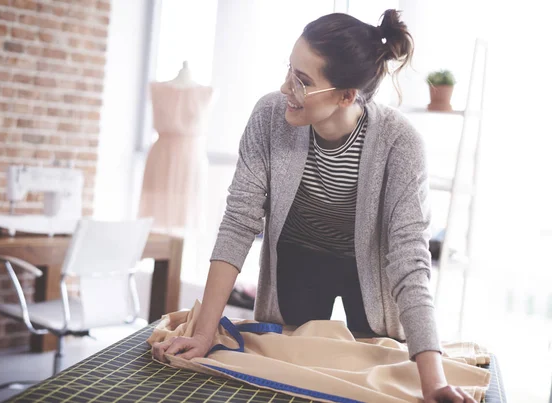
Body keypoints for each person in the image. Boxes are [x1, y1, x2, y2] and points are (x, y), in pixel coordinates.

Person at [153, 10, 477, 403]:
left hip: (367, 272)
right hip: (299, 259)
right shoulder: (269, 116)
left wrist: (435, 384)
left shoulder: (401, 144)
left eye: (303, 81)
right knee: (288, 373)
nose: (286, 88)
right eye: (290, 71)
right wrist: (204, 334)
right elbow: (239, 222)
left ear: (346, 95)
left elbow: (409, 260)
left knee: (370, 373)